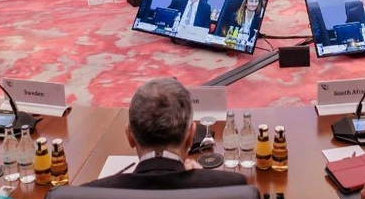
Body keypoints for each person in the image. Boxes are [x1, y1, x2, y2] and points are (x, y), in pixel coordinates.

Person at [82, 78, 248, 190]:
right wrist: (201, 177)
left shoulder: (89, 195)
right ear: (191, 136)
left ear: (130, 136)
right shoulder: (232, 188)